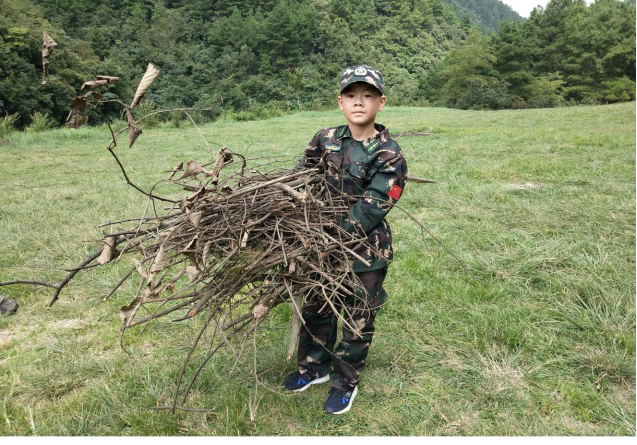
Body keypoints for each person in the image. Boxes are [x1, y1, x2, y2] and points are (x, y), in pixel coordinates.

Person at [283, 65, 408, 415]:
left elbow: (374, 206)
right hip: (317, 242)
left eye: (367, 95)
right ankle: (313, 368)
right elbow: (301, 176)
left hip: (366, 250)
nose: (359, 102)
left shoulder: (388, 153)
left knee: (357, 315)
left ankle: (344, 382)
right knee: (317, 306)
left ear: (380, 102)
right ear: (340, 102)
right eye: (351, 95)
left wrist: (330, 237)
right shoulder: (325, 139)